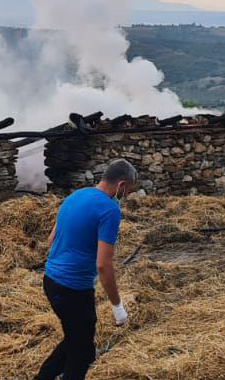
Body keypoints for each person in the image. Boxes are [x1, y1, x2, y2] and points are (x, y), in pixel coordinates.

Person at [34, 159, 137, 380]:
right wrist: (118, 307)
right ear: (121, 185)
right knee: (82, 353)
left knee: (76, 340)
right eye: (128, 190)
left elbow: (51, 239)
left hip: (51, 281)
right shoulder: (109, 210)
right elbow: (103, 265)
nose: (127, 196)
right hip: (73, 289)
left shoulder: (76, 195)